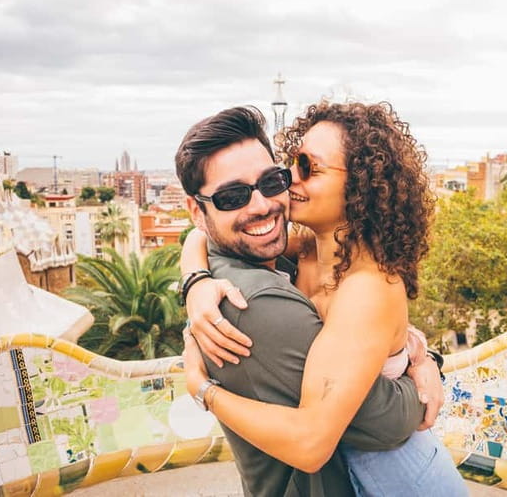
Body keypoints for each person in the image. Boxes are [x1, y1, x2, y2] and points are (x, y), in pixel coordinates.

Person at [180, 102, 467, 496]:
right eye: (291, 164)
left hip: (397, 474)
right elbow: (205, 232)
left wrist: (201, 387)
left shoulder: (368, 286)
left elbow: (310, 444)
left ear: (360, 185)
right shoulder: (305, 251)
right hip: (353, 464)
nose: (289, 180)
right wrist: (195, 281)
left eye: (308, 168)